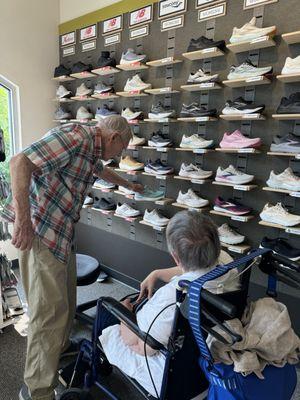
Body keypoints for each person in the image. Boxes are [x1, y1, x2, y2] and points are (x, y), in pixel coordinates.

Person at [1, 116, 143, 400]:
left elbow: (99, 171)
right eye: (122, 149)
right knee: (48, 314)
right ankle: (38, 389)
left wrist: (127, 183)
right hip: (41, 231)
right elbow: (19, 162)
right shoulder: (76, 138)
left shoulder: (92, 149)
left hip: (60, 232)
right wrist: (23, 222)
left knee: (65, 302)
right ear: (114, 138)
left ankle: (59, 349)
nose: (121, 156)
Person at [99, 211, 240, 398]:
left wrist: (124, 313)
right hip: (207, 365)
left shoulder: (172, 298)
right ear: (215, 244)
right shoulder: (228, 263)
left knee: (105, 311)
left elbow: (143, 347)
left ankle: (95, 365)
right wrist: (156, 273)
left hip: (174, 378)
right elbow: (194, 269)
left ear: (175, 257)